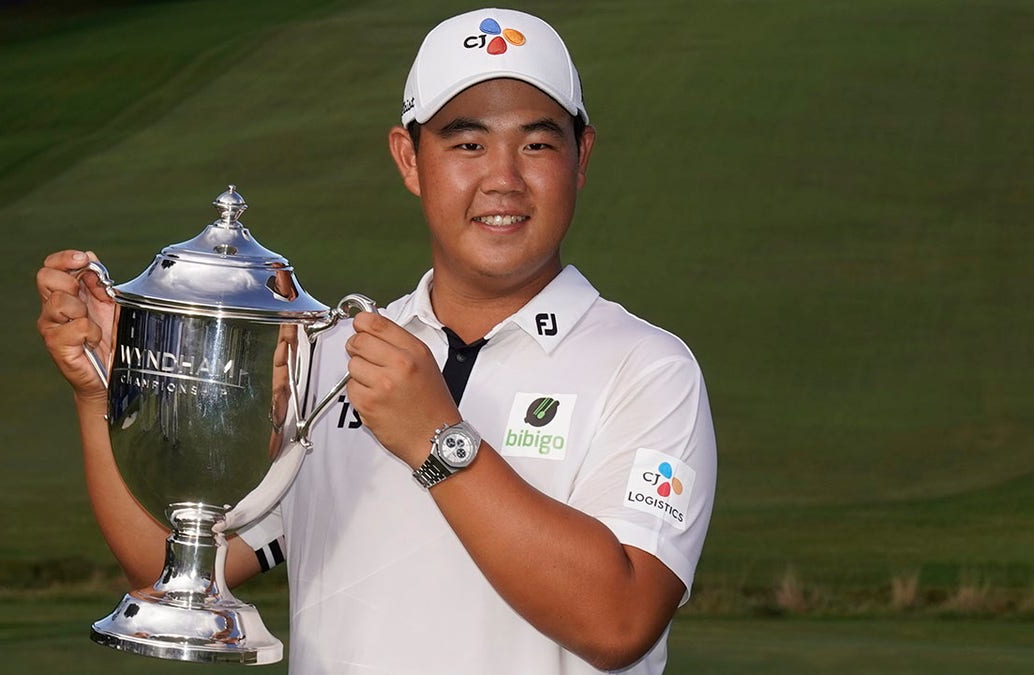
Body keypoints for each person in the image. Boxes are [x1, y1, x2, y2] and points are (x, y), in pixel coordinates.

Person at [36, 8, 716, 674]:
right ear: (409, 159)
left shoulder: (648, 369)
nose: (503, 178)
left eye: (537, 143)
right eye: (466, 143)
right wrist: (104, 392)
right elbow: (172, 564)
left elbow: (619, 620)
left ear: (581, 157)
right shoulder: (327, 358)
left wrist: (436, 438)